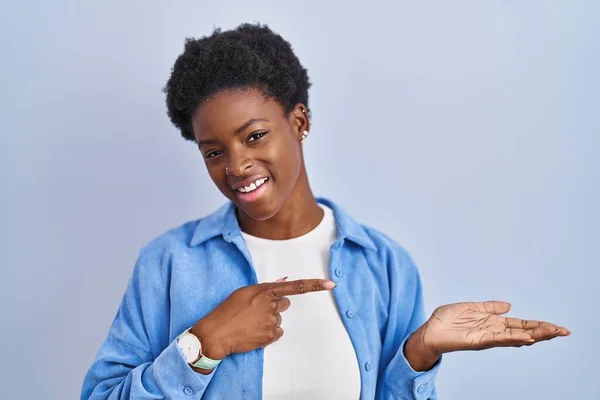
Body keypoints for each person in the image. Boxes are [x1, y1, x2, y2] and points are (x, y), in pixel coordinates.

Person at [80, 23, 569, 400]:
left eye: (254, 136)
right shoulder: (168, 263)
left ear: (299, 121)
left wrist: (418, 354)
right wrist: (203, 344)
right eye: (213, 151)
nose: (237, 165)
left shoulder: (384, 264)